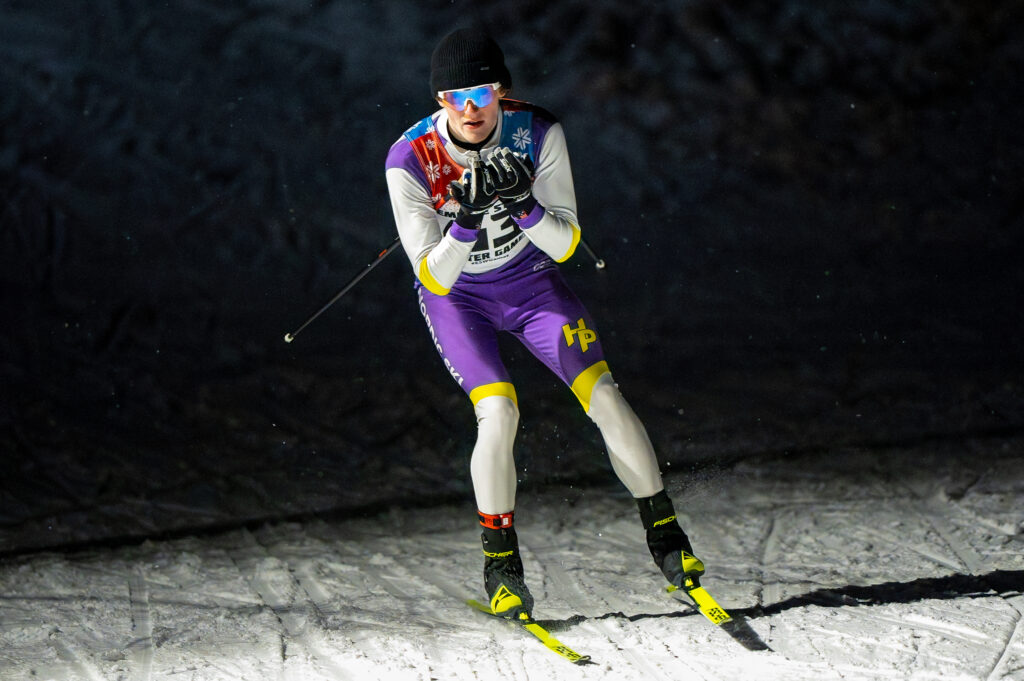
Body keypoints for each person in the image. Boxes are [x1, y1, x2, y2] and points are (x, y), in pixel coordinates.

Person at [384, 27, 704, 620]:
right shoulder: (409, 159)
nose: (473, 109)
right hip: (462, 301)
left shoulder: (538, 132)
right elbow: (433, 279)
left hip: (532, 285)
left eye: (483, 92)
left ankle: (668, 541)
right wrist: (466, 220)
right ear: (439, 104)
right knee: (499, 412)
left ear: (502, 90)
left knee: (604, 396)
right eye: (457, 97)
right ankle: (502, 568)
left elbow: (564, 245)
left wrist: (523, 205)